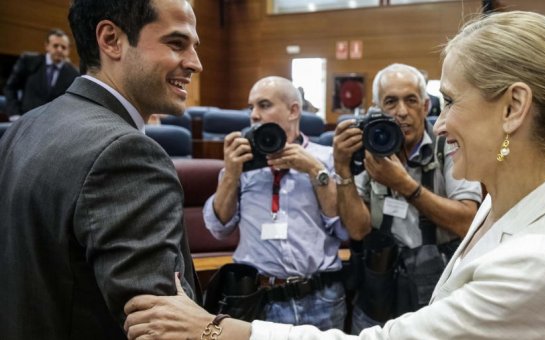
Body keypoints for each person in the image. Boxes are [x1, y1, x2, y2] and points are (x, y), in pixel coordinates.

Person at [124, 10, 545, 340]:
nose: (440, 121)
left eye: (446, 101)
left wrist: (215, 330)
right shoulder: (510, 201)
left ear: (514, 106)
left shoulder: (539, 263)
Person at [0, 0, 203, 338]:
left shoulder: (23, 128)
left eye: (195, 46)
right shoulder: (128, 155)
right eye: (176, 43)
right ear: (111, 40)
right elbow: (165, 329)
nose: (196, 63)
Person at [333, 63, 482, 333]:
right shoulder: (369, 148)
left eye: (410, 100)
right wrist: (343, 169)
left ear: (425, 107)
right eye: (391, 101)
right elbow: (357, 229)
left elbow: (468, 223)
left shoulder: (449, 145)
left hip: (437, 292)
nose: (402, 111)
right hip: (380, 286)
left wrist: (404, 185)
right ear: (378, 109)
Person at [202, 76, 347, 329]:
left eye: (264, 105)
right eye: (251, 107)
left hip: (320, 297)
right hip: (258, 299)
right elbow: (219, 227)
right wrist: (231, 175)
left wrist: (315, 171)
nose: (254, 115)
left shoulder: (325, 159)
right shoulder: (242, 161)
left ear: (293, 110)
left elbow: (342, 228)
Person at [3, 28, 80, 119]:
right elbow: (10, 88)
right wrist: (14, 114)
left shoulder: (74, 74)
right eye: (55, 46)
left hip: (53, 124)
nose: (59, 50)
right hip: (25, 119)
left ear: (69, 50)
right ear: (47, 46)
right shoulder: (29, 61)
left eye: (63, 47)